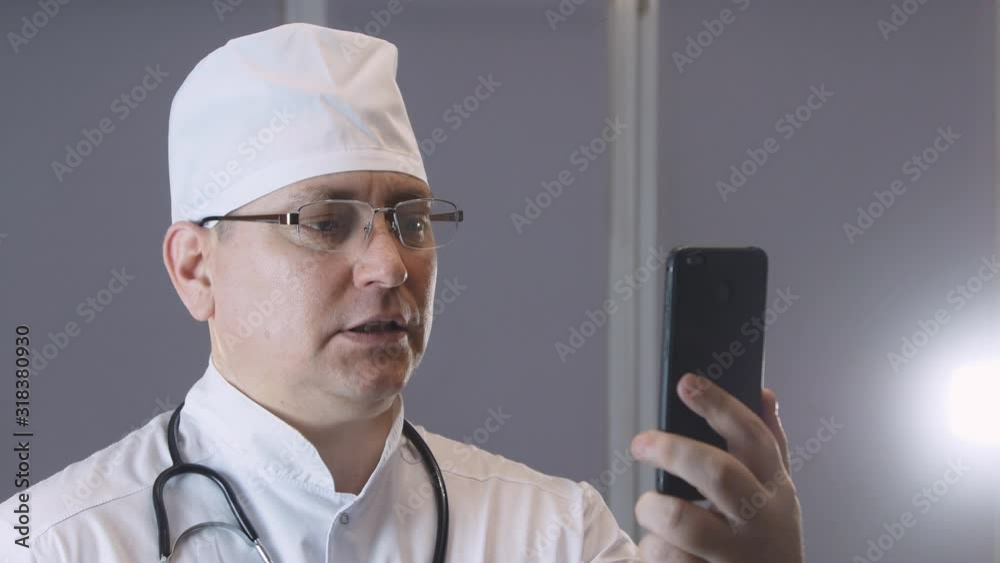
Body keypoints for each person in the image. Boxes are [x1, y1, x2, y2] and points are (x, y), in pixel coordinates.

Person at [1, 23, 805, 562]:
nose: (389, 263)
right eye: (323, 221)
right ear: (195, 269)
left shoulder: (555, 533)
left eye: (410, 217)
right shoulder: (57, 542)